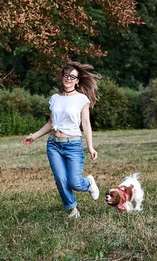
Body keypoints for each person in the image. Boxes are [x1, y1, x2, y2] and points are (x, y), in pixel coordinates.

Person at [22, 61, 101, 218]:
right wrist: (34, 136)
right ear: (62, 76)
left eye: (73, 76)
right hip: (53, 145)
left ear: (77, 81)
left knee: (74, 182)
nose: (69, 78)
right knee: (60, 179)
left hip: (73, 145)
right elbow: (51, 123)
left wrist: (90, 147)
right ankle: (73, 209)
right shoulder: (55, 98)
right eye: (66, 75)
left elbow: (86, 124)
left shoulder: (81, 99)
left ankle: (89, 183)